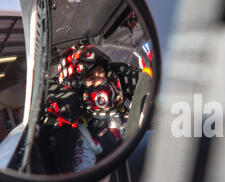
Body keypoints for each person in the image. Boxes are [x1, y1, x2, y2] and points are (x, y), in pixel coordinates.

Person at [44, 44, 150, 172]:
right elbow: (84, 178)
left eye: (100, 72)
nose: (99, 81)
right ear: (79, 87)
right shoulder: (85, 135)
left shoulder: (128, 101)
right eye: (90, 78)